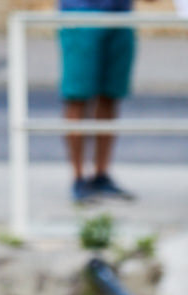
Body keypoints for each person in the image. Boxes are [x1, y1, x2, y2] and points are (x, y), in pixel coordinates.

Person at [58, 0, 136, 205]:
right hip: (81, 13)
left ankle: (101, 174)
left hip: (120, 14)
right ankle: (78, 177)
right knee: (77, 96)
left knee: (110, 95)